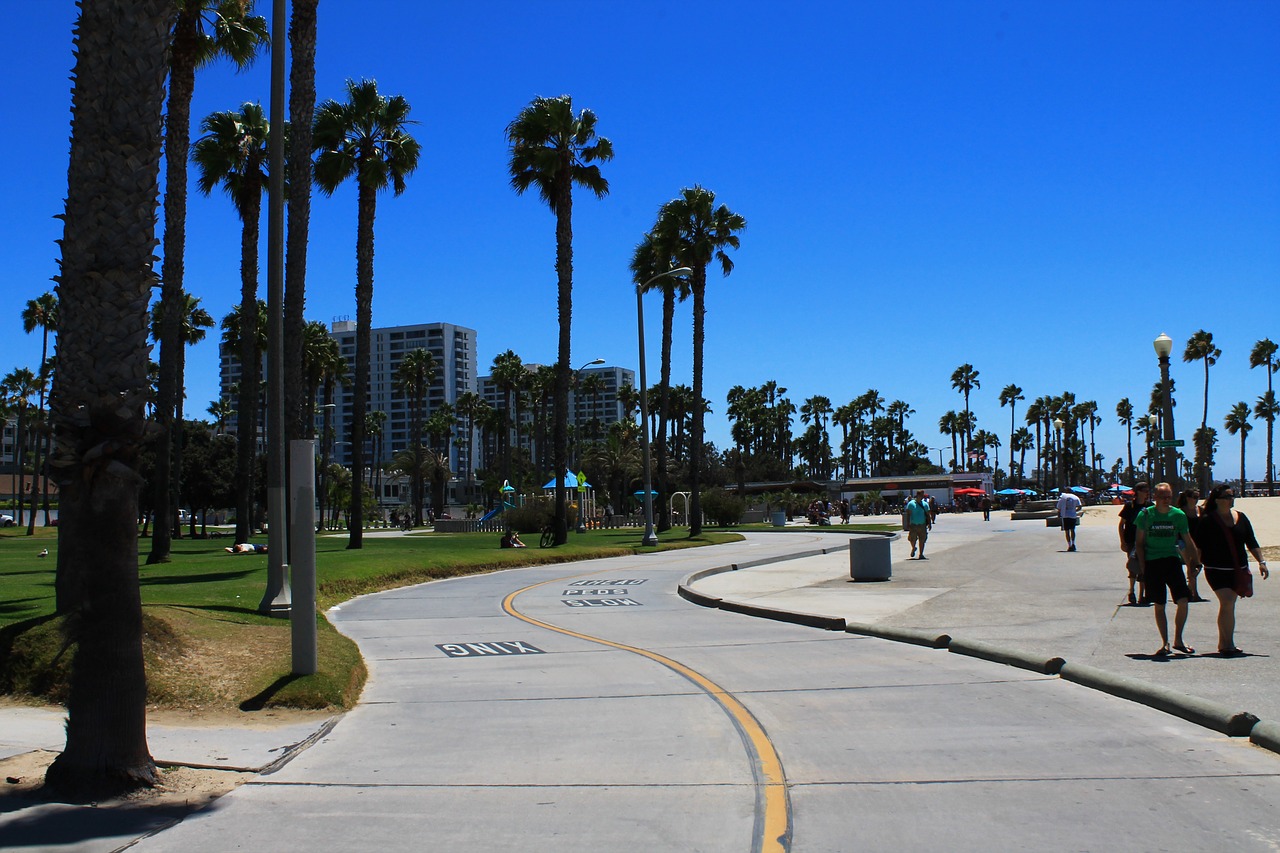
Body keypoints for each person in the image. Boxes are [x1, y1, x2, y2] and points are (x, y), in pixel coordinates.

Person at [1195, 485, 1269, 655]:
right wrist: (1195, 566)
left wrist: (1261, 561)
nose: (1231, 499)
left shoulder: (1241, 518)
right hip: (1216, 569)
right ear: (1218, 499)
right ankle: (1226, 644)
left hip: (1238, 569)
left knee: (1229, 605)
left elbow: (1251, 542)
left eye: (1232, 496)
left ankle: (1226, 643)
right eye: (1228, 496)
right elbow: (1199, 546)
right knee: (1227, 602)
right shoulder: (1207, 520)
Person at [1135, 482, 1201, 657]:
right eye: (1162, 497)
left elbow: (1188, 540)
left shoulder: (1178, 515)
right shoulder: (1146, 515)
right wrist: (1142, 566)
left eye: (1168, 497)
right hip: (1152, 563)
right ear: (1154, 497)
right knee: (1159, 604)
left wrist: (1195, 562)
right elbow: (1139, 544)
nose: (1166, 500)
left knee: (1183, 601)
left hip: (1172, 561)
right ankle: (1165, 643)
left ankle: (1179, 639)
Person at [1118, 482, 1152, 605]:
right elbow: (1121, 525)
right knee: (1133, 565)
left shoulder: (1149, 506)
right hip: (1131, 541)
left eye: (1147, 490)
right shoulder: (1129, 506)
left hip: (1145, 541)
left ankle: (1141, 595)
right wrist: (1122, 541)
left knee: (1144, 568)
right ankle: (1131, 591)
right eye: (1144, 490)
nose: (1146, 493)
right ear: (1137, 492)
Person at [1175, 489, 1207, 602]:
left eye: (1198, 496)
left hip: (1198, 542)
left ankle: (1188, 589)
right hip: (1183, 541)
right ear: (1187, 498)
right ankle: (1194, 593)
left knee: (1198, 566)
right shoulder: (1180, 511)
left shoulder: (1201, 510)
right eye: (1194, 496)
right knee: (1191, 565)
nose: (1196, 499)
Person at [905, 490, 932, 559]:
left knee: (922, 540)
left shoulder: (925, 504)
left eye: (923, 495)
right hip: (913, 524)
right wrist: (908, 523)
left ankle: (921, 554)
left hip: (922, 524)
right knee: (912, 539)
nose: (922, 497)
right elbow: (908, 514)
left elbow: (927, 515)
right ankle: (913, 548)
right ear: (917, 495)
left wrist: (929, 523)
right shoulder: (911, 504)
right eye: (921, 495)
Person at [1055, 487, 1082, 551]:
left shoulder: (1062, 497)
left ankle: (1069, 545)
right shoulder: (1075, 497)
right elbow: (1080, 507)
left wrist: (1059, 514)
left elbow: (1059, 508)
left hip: (1065, 515)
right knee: (1072, 530)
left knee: (1067, 531)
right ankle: (1073, 544)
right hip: (1072, 515)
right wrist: (1074, 511)